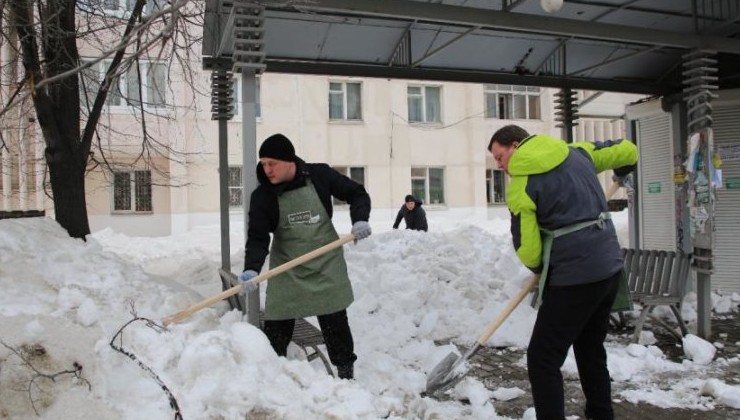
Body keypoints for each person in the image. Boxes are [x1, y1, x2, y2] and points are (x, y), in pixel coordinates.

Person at [487, 125, 637, 420]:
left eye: (500, 156)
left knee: (542, 358)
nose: (500, 165)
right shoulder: (576, 152)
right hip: (607, 268)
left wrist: (542, 267)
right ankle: (601, 414)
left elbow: (528, 250)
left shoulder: (522, 184)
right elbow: (628, 150)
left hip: (575, 276)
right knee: (590, 349)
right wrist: (622, 170)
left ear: (516, 145)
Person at [239, 133, 372, 380]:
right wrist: (252, 269)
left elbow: (357, 193)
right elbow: (258, 237)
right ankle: (270, 380)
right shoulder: (264, 196)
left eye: (272, 163)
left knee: (336, 325)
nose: (266, 169)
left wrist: (360, 219)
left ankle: (345, 375)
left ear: (289, 160)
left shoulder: (320, 176)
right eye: (263, 163)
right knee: (276, 329)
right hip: (288, 270)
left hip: (326, 266)